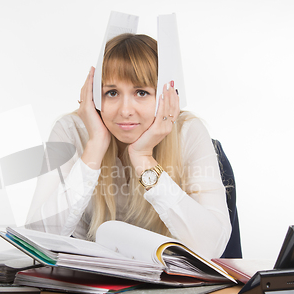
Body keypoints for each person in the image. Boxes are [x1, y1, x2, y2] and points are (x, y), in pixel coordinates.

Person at [26, 33, 231, 259]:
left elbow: (211, 247)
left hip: (170, 286)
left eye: (141, 92)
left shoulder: (188, 133)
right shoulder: (71, 131)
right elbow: (36, 241)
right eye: (112, 93)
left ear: (164, 96)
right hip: (94, 286)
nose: (125, 110)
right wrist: (94, 146)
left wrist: (143, 158)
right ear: (94, 97)